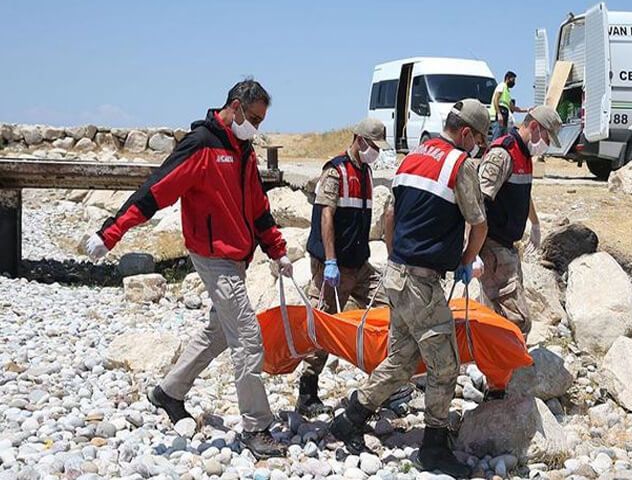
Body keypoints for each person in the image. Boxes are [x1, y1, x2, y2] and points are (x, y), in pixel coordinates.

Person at [85, 79, 292, 459]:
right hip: (213, 257)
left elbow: (258, 208)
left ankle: (169, 391)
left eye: (262, 122)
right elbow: (156, 190)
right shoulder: (202, 146)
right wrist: (111, 233)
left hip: (237, 257)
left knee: (218, 332)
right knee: (247, 338)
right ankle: (256, 428)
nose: (257, 129)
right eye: (255, 119)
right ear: (235, 107)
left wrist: (277, 251)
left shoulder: (244, 150)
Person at [329, 99, 490, 477]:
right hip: (422, 283)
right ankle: (433, 447)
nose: (477, 148)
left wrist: (396, 255)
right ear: (465, 133)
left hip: (397, 275)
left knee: (400, 361)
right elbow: (479, 223)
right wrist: (467, 260)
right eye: (478, 140)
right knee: (445, 364)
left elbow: (389, 215)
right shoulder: (460, 164)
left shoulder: (414, 157)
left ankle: (350, 418)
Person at [300, 117, 391, 416]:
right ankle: (307, 390)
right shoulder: (335, 171)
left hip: (359, 264)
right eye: (374, 146)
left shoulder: (364, 172)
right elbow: (326, 216)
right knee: (325, 326)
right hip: (334, 265)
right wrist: (329, 261)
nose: (376, 152)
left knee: (391, 307)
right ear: (360, 140)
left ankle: (389, 380)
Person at [478, 106, 561, 342]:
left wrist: (534, 224)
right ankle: (503, 373)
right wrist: (471, 250)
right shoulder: (503, 153)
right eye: (546, 138)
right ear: (534, 127)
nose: (545, 145)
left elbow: (523, 194)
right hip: (494, 245)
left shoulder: (524, 154)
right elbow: (478, 200)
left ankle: (492, 369)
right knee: (517, 320)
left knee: (498, 316)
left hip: (508, 247)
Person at [491, 71, 529, 137]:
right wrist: (499, 114)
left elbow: (513, 108)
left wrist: (527, 109)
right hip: (498, 118)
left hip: (504, 120)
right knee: (496, 139)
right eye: (513, 80)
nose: (514, 82)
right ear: (507, 78)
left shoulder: (507, 92)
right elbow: (495, 100)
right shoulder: (502, 86)